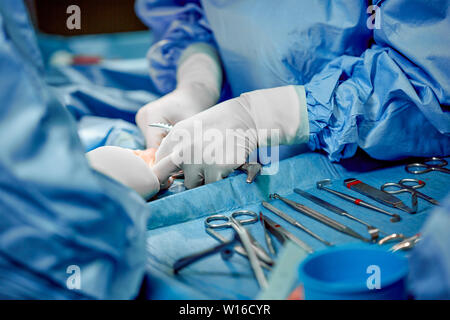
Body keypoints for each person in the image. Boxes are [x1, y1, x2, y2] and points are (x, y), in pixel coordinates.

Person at [133, 0, 449, 190]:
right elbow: (185, 14)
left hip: (382, 162)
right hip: (250, 151)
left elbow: (430, 79)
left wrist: (279, 115)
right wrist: (198, 78)